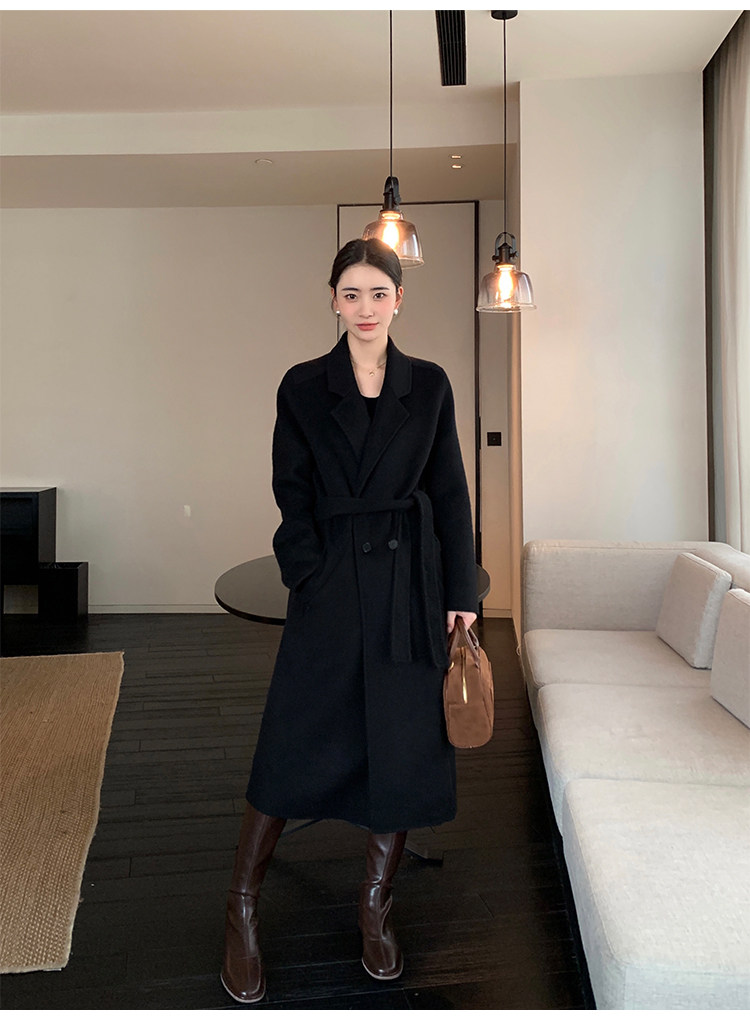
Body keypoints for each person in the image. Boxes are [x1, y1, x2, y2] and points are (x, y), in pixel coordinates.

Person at [221, 237, 478, 1003]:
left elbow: (451, 491)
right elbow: (291, 491)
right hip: (331, 587)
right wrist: (309, 571)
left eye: (379, 292)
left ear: (400, 300)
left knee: (399, 748)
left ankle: (375, 906)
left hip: (407, 587)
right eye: (352, 292)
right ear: (333, 299)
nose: (366, 307)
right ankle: (241, 909)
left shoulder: (429, 385)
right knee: (289, 745)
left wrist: (460, 590)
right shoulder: (304, 385)